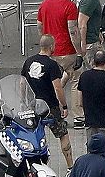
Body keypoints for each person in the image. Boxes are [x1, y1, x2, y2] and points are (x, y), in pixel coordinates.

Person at [22, 34, 73, 166]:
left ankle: (36, 162)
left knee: (35, 134)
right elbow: (57, 87)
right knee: (63, 134)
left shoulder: (28, 62)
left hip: (33, 107)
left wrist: (24, 102)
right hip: (50, 107)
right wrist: (64, 105)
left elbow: (22, 84)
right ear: (51, 47)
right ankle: (70, 165)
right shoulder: (51, 65)